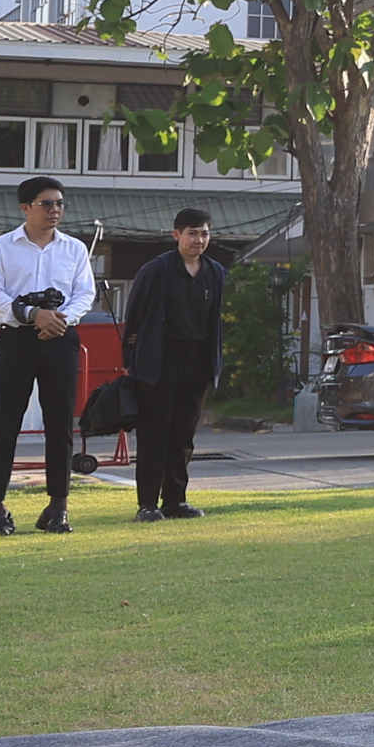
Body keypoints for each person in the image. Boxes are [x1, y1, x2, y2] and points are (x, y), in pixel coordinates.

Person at [0, 177, 94, 538]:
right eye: (47, 204)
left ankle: (58, 506)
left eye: (60, 203)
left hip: (60, 338)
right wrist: (31, 315)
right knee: (5, 424)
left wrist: (58, 320)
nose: (55, 210)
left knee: (60, 425)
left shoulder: (74, 248)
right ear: (25, 208)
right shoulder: (0, 247)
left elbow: (84, 294)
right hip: (16, 338)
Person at [122, 207, 229, 522]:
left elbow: (217, 322)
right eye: (192, 233)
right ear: (176, 235)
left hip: (197, 362)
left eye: (204, 233)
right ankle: (147, 504)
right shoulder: (156, 270)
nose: (199, 240)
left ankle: (175, 500)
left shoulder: (216, 272)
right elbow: (135, 317)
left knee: (183, 434)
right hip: (158, 362)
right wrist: (129, 361)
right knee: (155, 432)